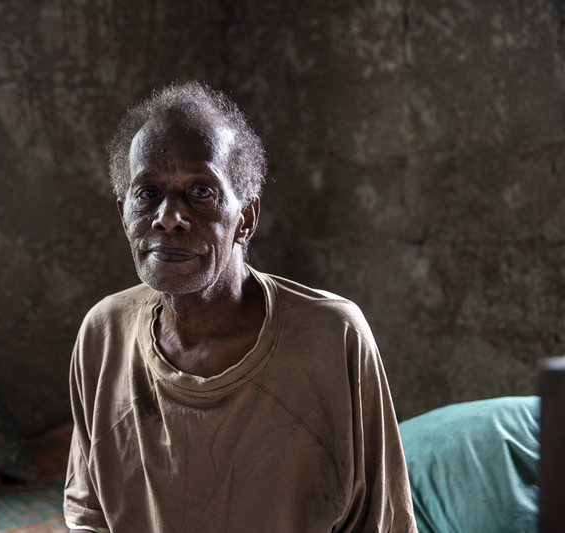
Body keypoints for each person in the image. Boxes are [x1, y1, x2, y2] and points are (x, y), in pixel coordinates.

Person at [63, 81, 417, 532]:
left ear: (245, 219)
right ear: (123, 214)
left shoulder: (331, 337)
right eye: (148, 193)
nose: (169, 216)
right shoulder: (103, 333)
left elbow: (381, 521)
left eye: (201, 192)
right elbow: (87, 511)